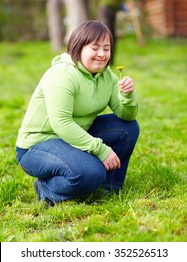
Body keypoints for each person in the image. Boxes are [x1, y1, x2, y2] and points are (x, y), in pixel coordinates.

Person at [16, 20, 139, 206]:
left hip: (71, 139)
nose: (102, 54)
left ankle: (108, 187)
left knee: (128, 128)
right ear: (78, 48)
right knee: (91, 172)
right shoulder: (62, 75)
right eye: (95, 47)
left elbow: (126, 116)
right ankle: (47, 189)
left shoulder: (107, 77)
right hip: (37, 146)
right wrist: (101, 150)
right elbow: (61, 123)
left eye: (107, 48)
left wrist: (127, 97)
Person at [98, 0, 131, 64]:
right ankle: (101, 59)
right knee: (105, 34)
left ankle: (110, 61)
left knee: (112, 36)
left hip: (113, 11)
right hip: (106, 10)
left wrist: (127, 7)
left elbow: (120, 4)